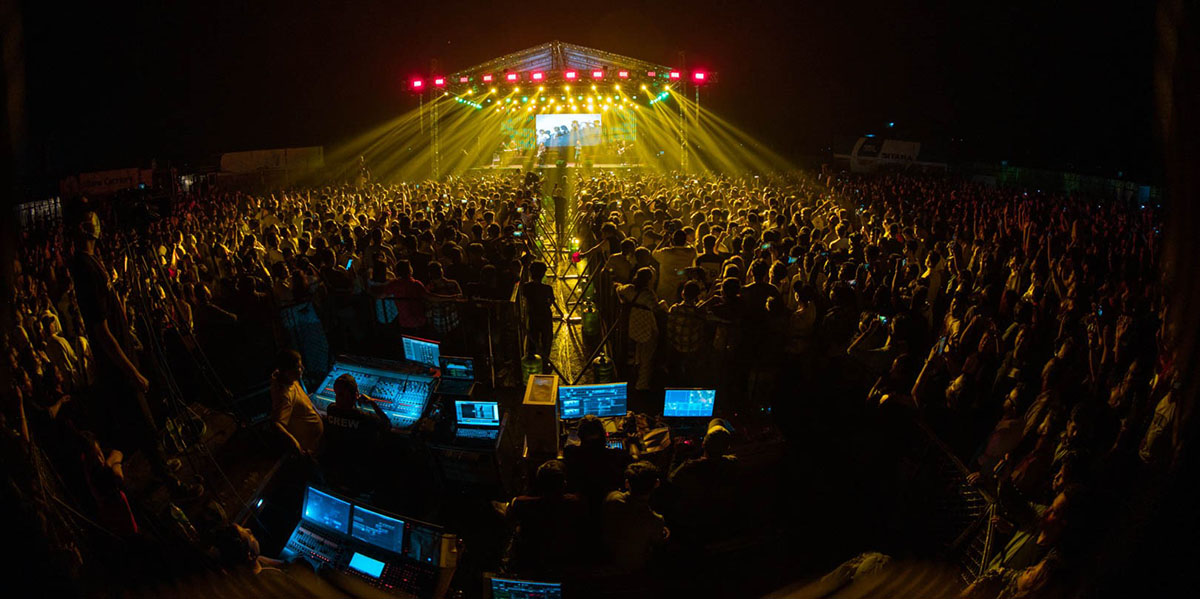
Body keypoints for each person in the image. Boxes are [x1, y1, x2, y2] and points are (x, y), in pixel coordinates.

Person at [68, 210, 198, 497]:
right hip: (117, 365)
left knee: (136, 423)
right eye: (93, 217)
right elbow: (100, 330)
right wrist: (131, 370)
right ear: (83, 226)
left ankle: (131, 468)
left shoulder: (92, 262)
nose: (99, 222)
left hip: (124, 354)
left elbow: (109, 315)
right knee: (145, 423)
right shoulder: (85, 267)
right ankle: (173, 486)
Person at [505, 460, 585, 577]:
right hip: (564, 559)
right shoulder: (576, 503)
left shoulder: (520, 503)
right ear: (564, 484)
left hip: (531, 560)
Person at [667, 419, 740, 541]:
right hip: (720, 516)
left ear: (703, 444)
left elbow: (671, 478)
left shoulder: (689, 467)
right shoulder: (732, 463)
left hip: (692, 519)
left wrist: (677, 454)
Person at [322, 374, 390, 489]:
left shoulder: (331, 409)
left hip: (335, 468)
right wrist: (372, 402)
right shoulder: (364, 417)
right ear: (355, 395)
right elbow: (387, 424)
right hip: (358, 472)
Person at [603, 461, 669, 574]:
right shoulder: (656, 520)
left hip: (606, 559)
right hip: (635, 568)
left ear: (627, 483)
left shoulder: (612, 498)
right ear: (656, 484)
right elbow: (658, 541)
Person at [269, 349, 324, 455]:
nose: (303, 368)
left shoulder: (291, 380)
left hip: (317, 442)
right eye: (298, 367)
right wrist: (296, 445)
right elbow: (276, 424)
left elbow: (304, 399)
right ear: (287, 371)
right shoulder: (284, 396)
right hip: (310, 450)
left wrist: (318, 413)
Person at [521, 261, 554, 361]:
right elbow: (551, 300)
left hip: (533, 315)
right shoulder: (547, 288)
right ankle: (545, 358)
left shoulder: (526, 287)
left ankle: (533, 359)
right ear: (543, 274)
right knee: (546, 338)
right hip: (545, 315)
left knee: (533, 337)